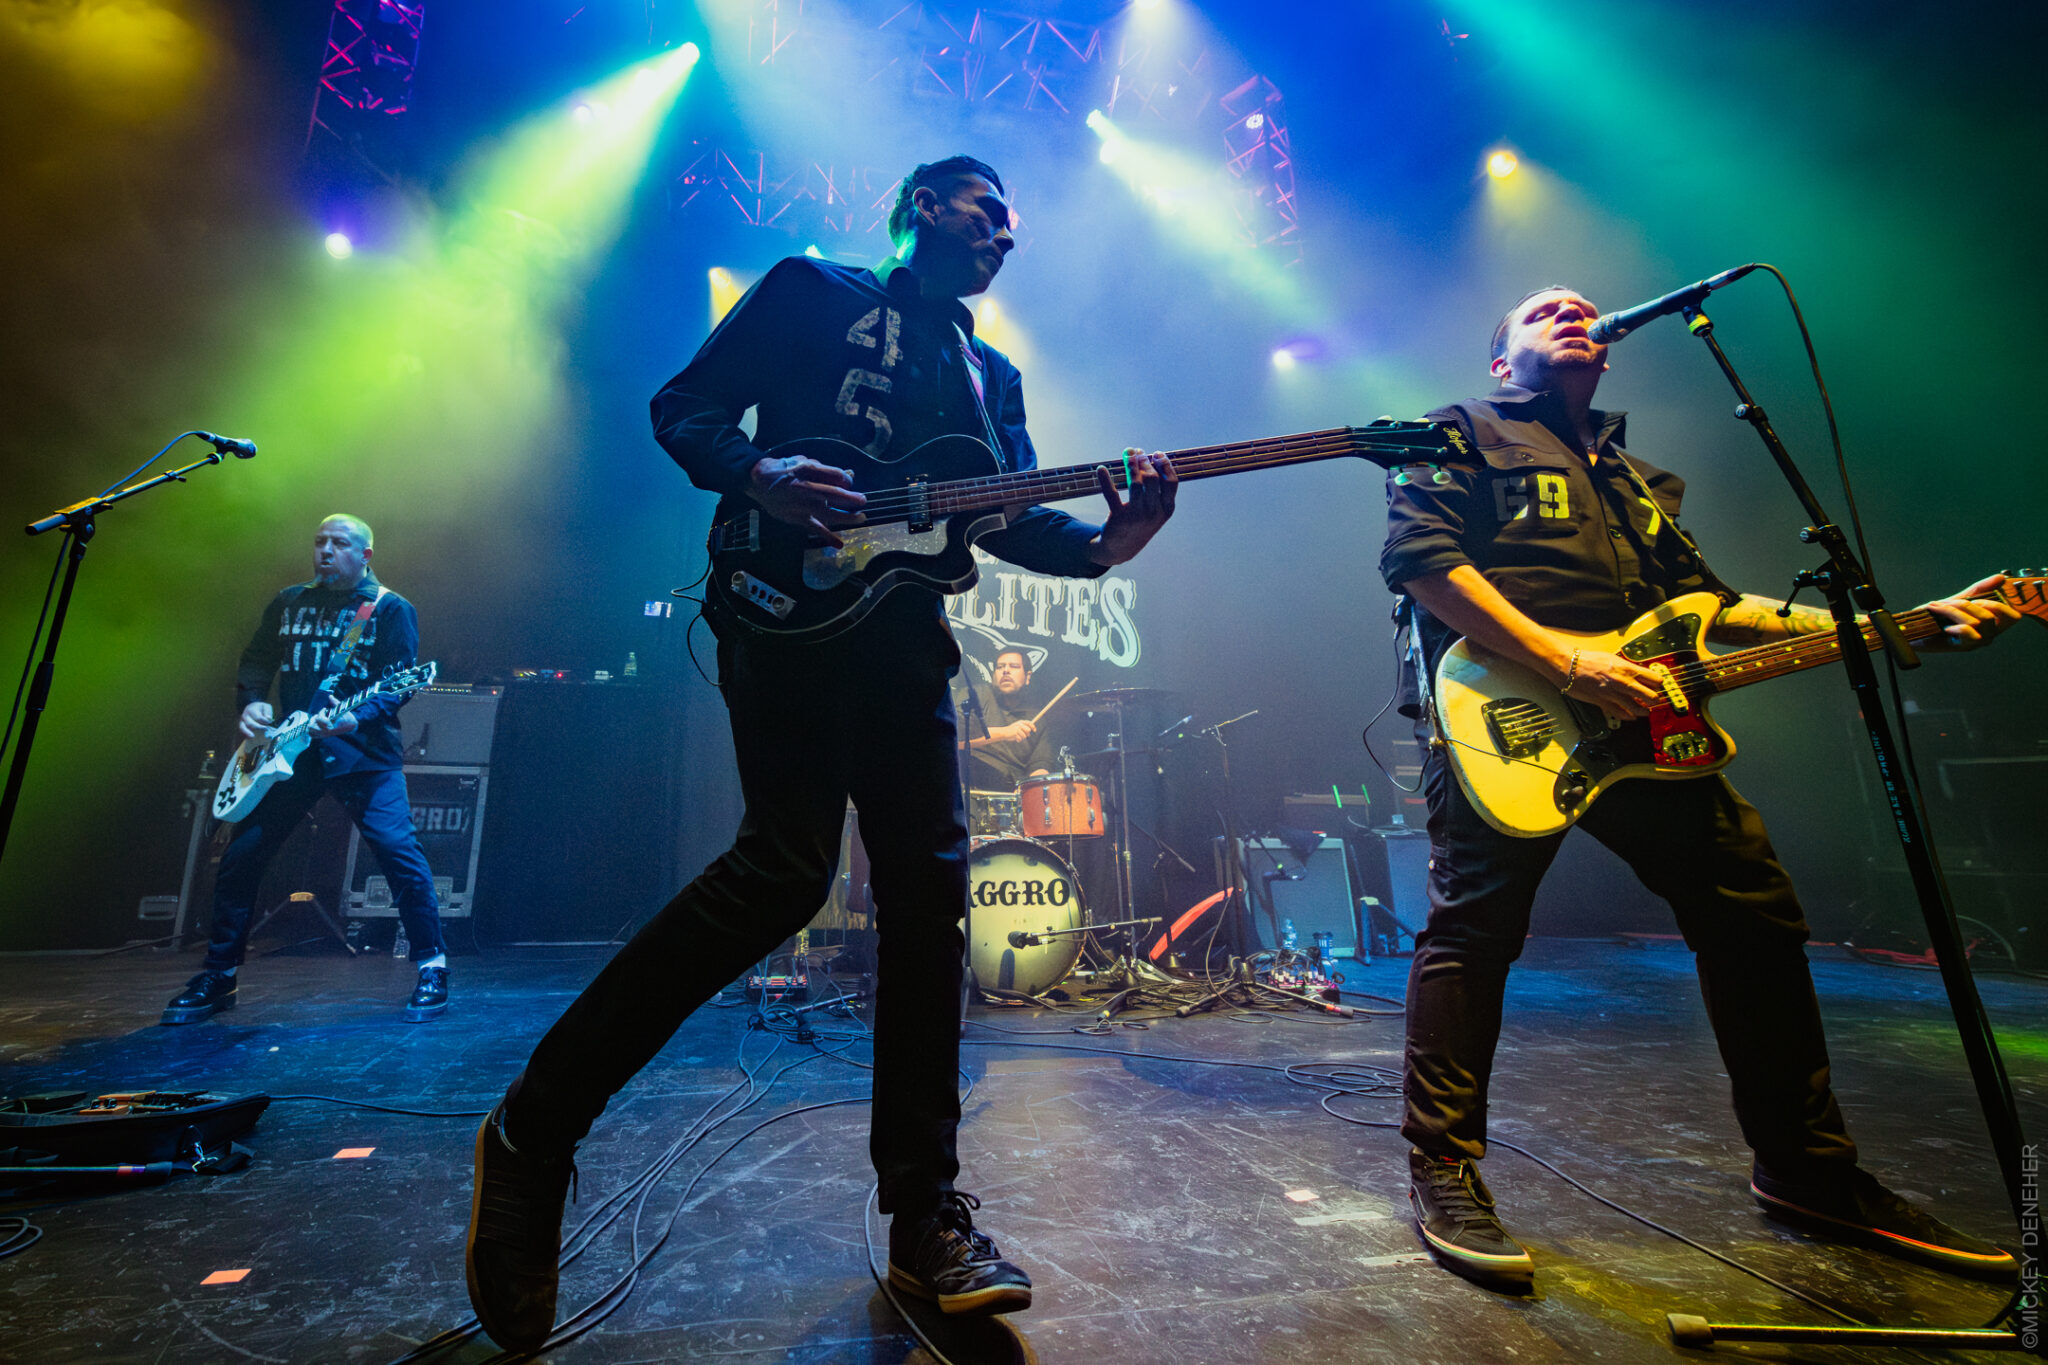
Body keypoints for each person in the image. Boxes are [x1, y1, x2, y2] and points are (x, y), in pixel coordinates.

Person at [463, 155, 1177, 1352]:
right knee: (780, 874)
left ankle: (923, 1215)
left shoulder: (989, 375)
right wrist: (759, 471)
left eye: (1014, 220)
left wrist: (1112, 543)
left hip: (905, 646)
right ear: (921, 208)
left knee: (929, 900)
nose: (1006, 231)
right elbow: (683, 408)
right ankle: (536, 1127)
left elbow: (1004, 516)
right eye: (987, 208)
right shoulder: (807, 289)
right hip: (783, 605)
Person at [1378, 285, 2020, 1292]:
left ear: (1608, 353)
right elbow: (1421, 563)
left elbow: (1712, 609)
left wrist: (1895, 625)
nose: (1573, 311)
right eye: (1543, 310)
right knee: (1474, 930)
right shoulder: (1458, 430)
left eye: (1584, 307)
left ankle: (1805, 1168)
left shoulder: (1641, 480)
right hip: (1508, 713)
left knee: (1752, 912)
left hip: (1647, 728)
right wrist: (1566, 662)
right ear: (1500, 361)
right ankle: (1443, 1168)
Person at [163, 515, 449, 1026]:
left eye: (340, 543)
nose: (326, 550)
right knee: (240, 858)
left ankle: (432, 966)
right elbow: (256, 659)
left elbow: (399, 684)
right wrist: (251, 701)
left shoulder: (389, 609)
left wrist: (353, 718)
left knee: (399, 853)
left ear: (365, 555)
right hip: (288, 755)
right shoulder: (289, 601)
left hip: (363, 755)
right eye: (320, 542)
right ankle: (219, 975)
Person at [959, 647, 1056, 789]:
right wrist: (1005, 733)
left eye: (1014, 666)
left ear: (1028, 676)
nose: (1006, 670)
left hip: (1011, 794)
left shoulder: (1037, 718)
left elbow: (1040, 763)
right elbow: (954, 737)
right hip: (970, 786)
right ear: (993, 675)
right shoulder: (976, 695)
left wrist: (1030, 789)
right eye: (1000, 667)